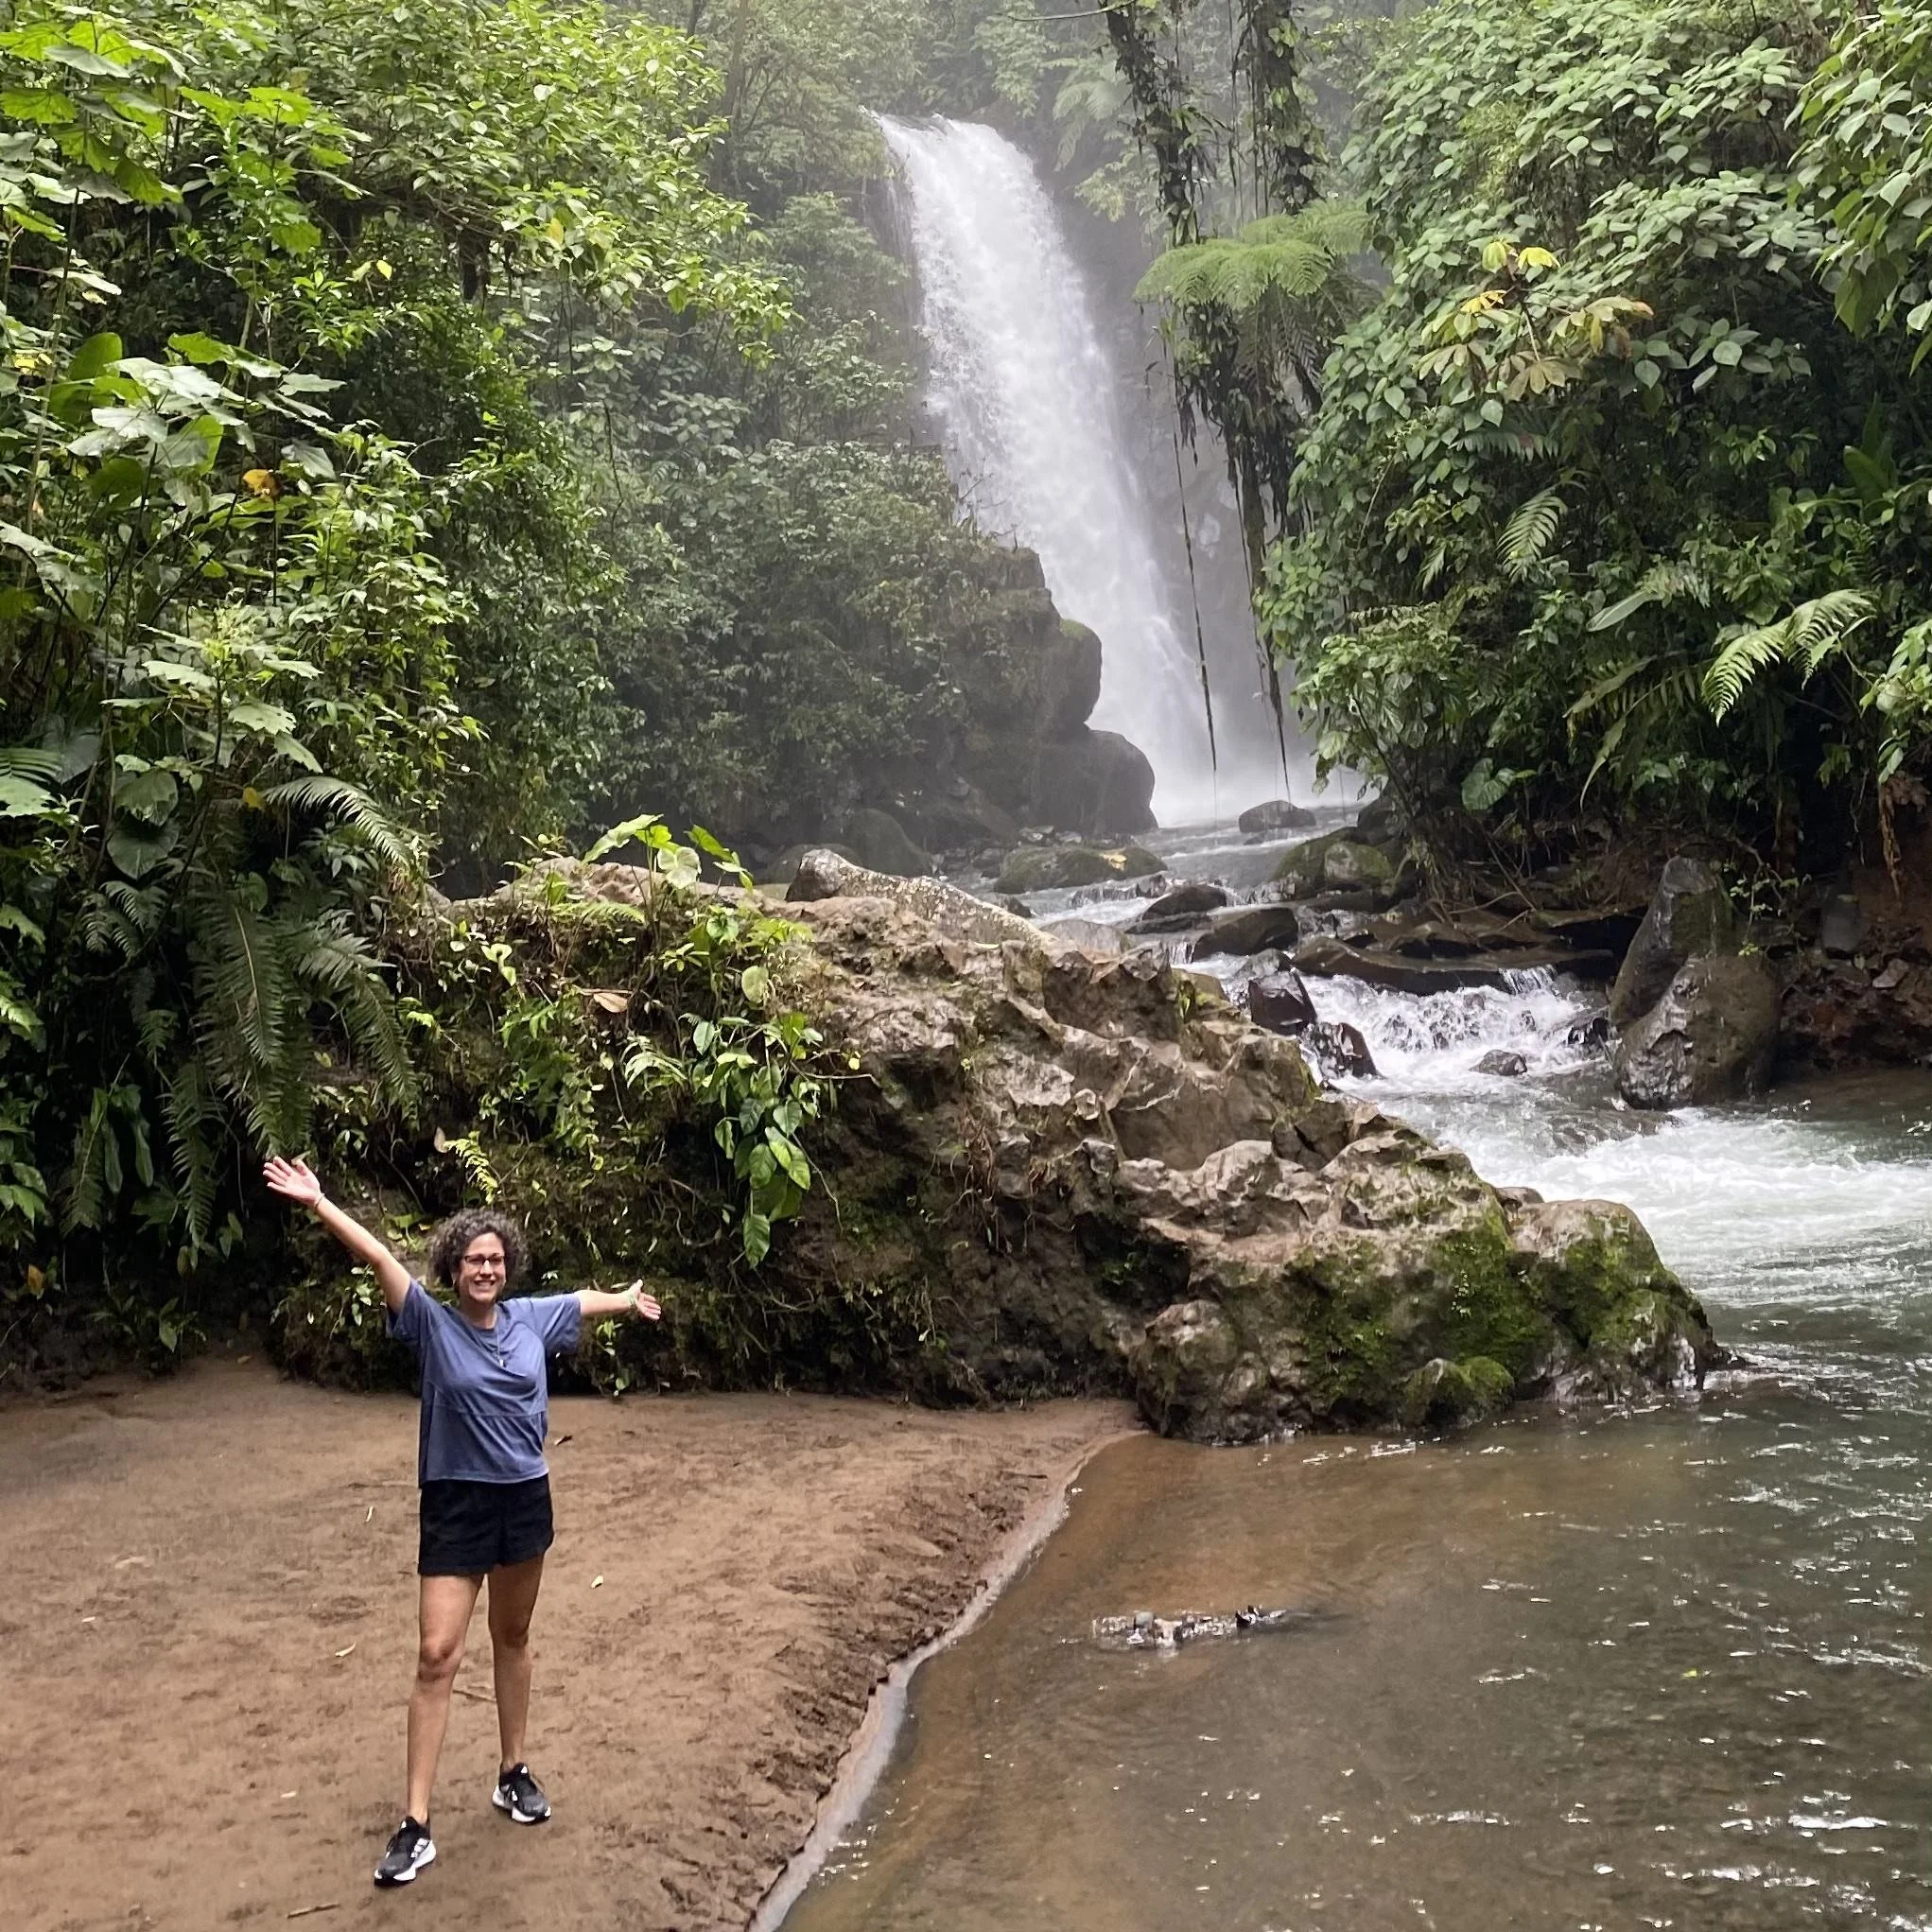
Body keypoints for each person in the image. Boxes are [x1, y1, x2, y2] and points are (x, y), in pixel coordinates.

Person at [263, 1155, 661, 1888]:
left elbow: (580, 1301)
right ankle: (414, 1823)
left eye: (496, 1259)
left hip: (524, 1498)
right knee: (436, 1654)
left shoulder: (530, 1318)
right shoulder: (429, 1324)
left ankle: (512, 1770)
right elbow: (380, 1252)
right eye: (475, 1259)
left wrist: (627, 1298)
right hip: (455, 1501)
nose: (486, 1268)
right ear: (453, 1267)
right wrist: (320, 1202)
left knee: (512, 1636)